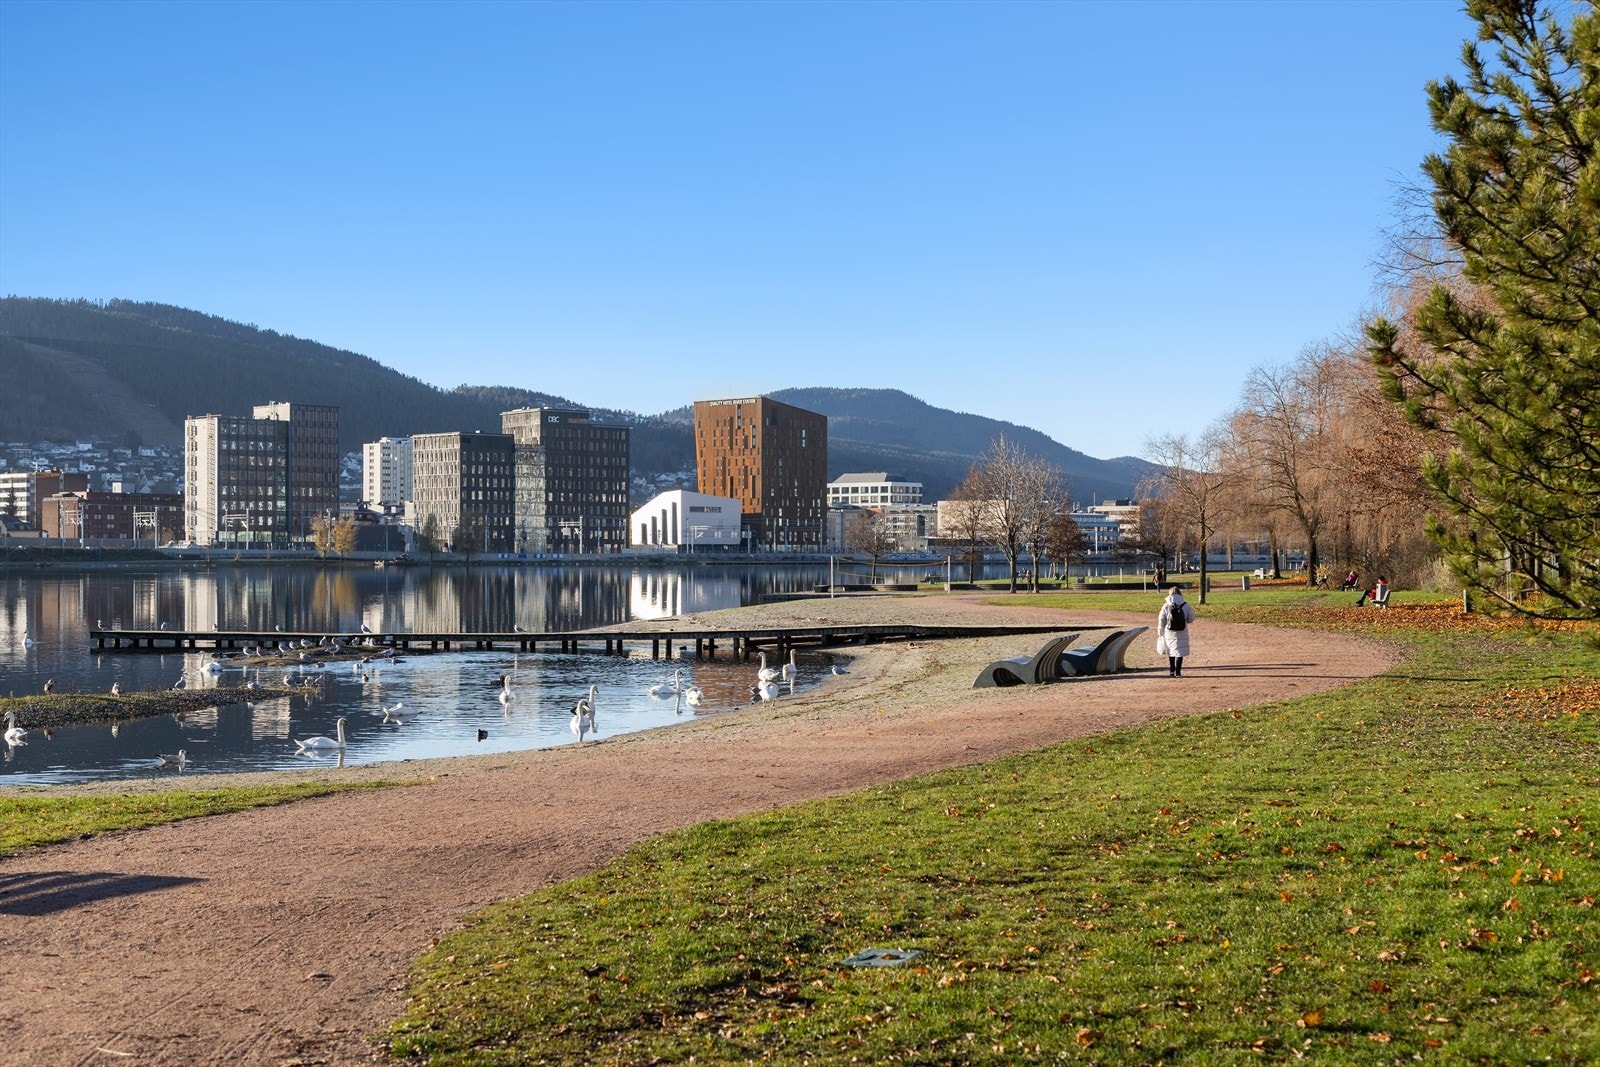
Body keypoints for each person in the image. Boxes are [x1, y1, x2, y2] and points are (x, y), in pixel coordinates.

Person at [1156, 586, 1195, 677]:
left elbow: (1162, 620)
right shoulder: (1185, 605)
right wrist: (1185, 621)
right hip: (1182, 631)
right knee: (1179, 651)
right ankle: (1178, 672)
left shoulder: (1166, 606)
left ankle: (1171, 670)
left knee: (1171, 650)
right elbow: (1192, 618)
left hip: (1169, 631)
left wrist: (1160, 632)